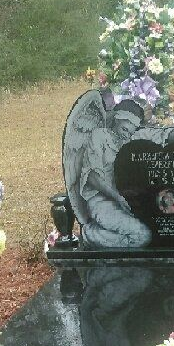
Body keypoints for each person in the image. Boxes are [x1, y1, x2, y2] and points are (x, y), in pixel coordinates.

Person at [63, 92, 152, 249]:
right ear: (117, 119)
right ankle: (90, 235)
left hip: (123, 201)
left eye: (130, 132)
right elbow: (92, 177)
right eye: (124, 129)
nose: (127, 135)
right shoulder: (100, 136)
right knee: (143, 235)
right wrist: (118, 197)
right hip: (101, 201)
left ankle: (111, 242)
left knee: (156, 229)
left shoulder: (127, 143)